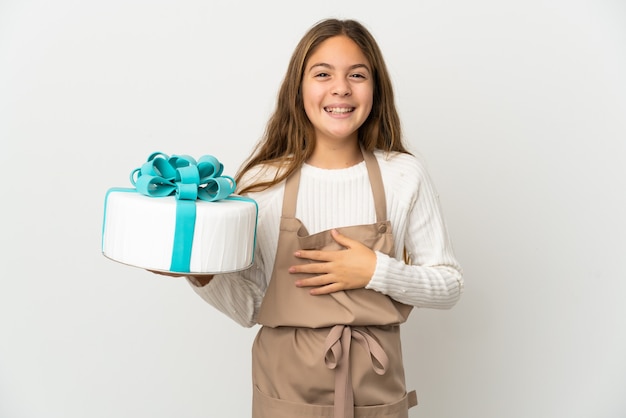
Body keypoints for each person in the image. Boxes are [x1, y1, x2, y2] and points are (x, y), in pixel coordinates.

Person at [162, 18, 463, 418]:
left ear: (376, 89)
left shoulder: (403, 175)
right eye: (323, 74)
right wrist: (199, 274)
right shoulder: (263, 182)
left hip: (374, 391)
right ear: (298, 88)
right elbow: (252, 306)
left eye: (357, 75)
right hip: (285, 392)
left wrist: (376, 271)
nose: (341, 88)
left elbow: (449, 285)